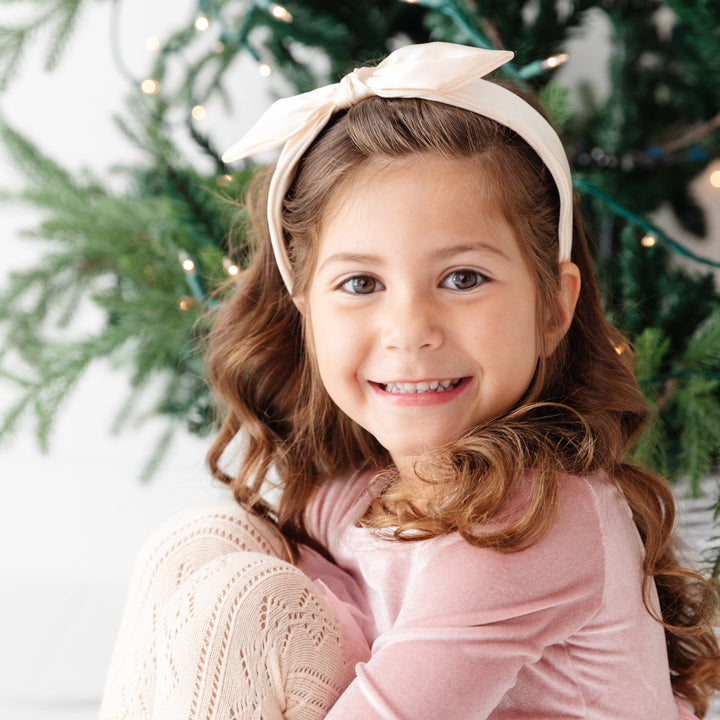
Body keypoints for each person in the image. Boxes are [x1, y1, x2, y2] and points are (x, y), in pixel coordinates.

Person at [99, 42, 720, 719]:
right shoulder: (365, 491)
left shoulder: (533, 523)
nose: (409, 328)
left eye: (462, 279)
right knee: (198, 546)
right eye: (361, 283)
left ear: (553, 308)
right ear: (306, 315)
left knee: (242, 605)